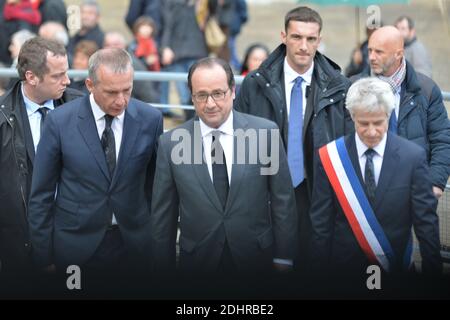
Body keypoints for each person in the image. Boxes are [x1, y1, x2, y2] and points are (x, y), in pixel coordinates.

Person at [150, 57, 298, 275]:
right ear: (191, 97)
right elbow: (164, 216)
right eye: (201, 95)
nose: (210, 104)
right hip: (198, 263)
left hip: (256, 258)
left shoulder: (266, 134)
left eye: (218, 93)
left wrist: (284, 256)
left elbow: (282, 201)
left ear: (233, 91)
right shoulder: (170, 143)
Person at [235, 6, 353, 269]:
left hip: (318, 193)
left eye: (311, 39)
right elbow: (238, 141)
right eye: (297, 37)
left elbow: (349, 144)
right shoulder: (254, 84)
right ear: (283, 36)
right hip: (266, 191)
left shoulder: (340, 88)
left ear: (319, 41)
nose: (303, 46)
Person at [28, 48, 163, 276]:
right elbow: (41, 194)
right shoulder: (59, 122)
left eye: (127, 90)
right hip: (74, 248)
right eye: (111, 92)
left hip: (133, 247)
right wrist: (44, 256)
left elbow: (155, 185)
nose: (121, 100)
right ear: (90, 85)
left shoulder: (151, 119)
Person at [310, 77, 442, 276]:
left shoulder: (413, 158)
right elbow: (321, 224)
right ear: (352, 116)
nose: (371, 132)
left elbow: (426, 224)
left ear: (389, 115)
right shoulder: (331, 157)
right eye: (364, 123)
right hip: (345, 272)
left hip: (396, 271)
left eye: (379, 123)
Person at [0, 37, 82, 273]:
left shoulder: (83, 108)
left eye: (66, 72)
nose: (66, 81)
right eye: (57, 76)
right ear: (31, 77)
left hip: (77, 240)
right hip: (19, 246)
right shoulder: (2, 118)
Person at [352, 26, 450, 200]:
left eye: (379, 52)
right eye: (370, 50)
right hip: (366, 196)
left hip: (414, 192)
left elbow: (442, 139)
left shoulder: (426, 90)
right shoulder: (353, 88)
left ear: (398, 54)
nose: (371, 57)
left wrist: (435, 183)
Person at [103, 31, 159, 103]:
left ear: (124, 45)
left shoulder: (133, 65)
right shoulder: (101, 63)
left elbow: (147, 94)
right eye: (107, 45)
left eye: (116, 44)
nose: (111, 48)